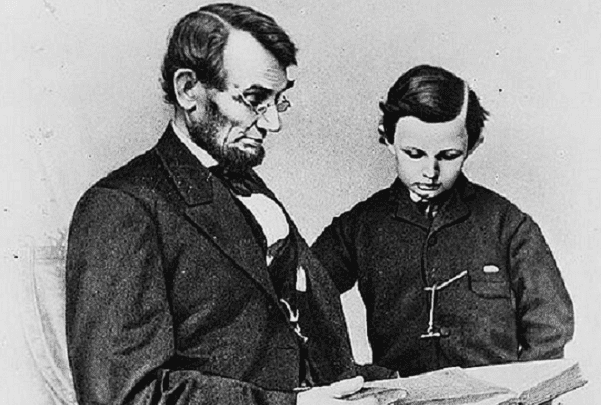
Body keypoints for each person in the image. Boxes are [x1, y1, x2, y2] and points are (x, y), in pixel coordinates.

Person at [65, 4, 380, 404]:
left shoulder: (244, 184)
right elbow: (124, 396)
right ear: (187, 89)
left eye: (278, 102)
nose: (272, 124)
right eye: (253, 99)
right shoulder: (121, 207)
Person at [311, 64, 574, 378]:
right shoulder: (358, 227)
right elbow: (302, 299)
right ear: (387, 138)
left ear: (472, 146)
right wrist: (349, 375)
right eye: (414, 153)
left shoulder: (508, 225)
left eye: (448, 155)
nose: (430, 172)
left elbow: (550, 323)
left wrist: (525, 392)